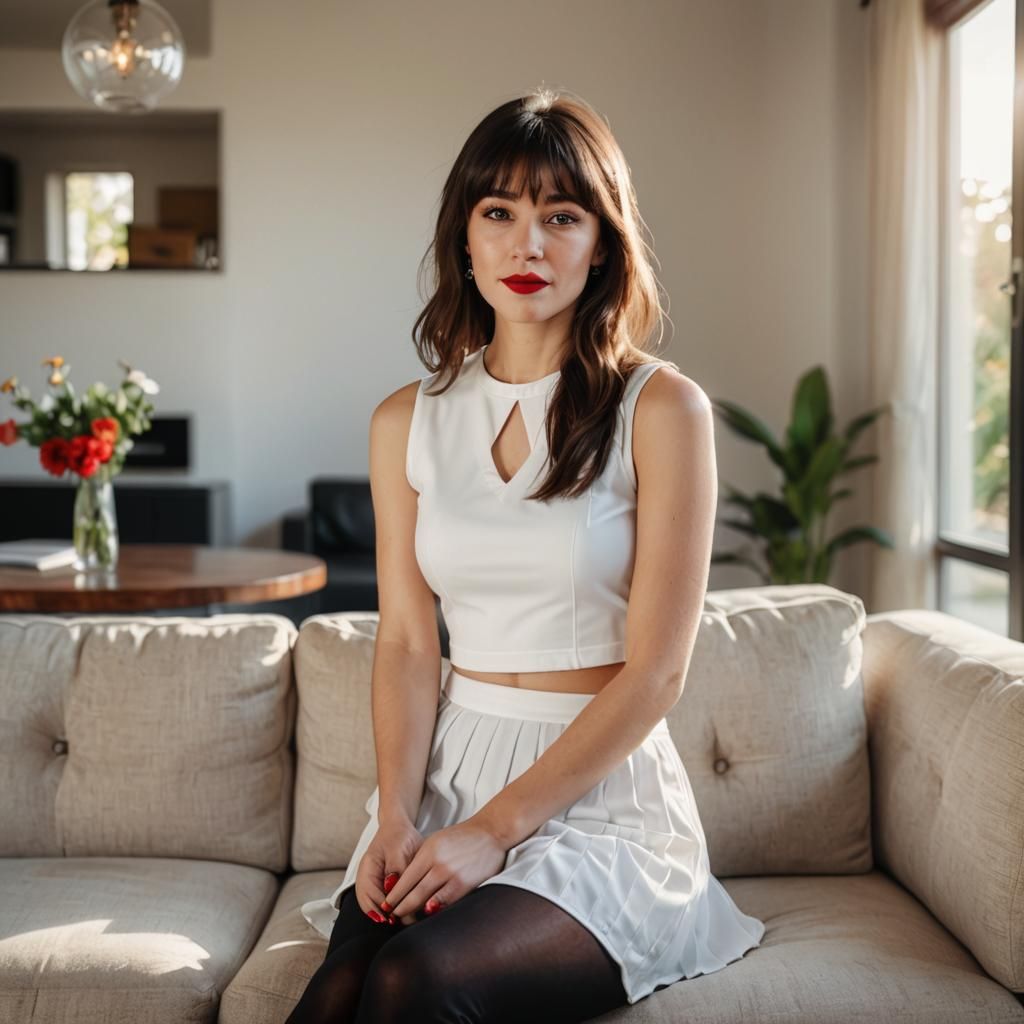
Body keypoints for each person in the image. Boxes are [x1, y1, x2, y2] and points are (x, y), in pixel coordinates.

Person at [287, 86, 765, 1024]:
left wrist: (491, 834)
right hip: (448, 775)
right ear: (464, 236)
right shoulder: (405, 421)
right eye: (498, 212)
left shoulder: (661, 410)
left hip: (602, 799)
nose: (529, 244)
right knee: (341, 989)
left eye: (562, 215)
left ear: (603, 241)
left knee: (409, 979)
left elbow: (659, 670)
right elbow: (408, 645)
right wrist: (397, 813)